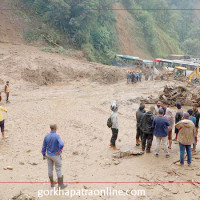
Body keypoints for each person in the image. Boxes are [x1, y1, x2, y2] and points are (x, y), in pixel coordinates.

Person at [42, 124, 67, 189]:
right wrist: (59, 151)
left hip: (49, 155)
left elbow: (44, 146)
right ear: (55, 128)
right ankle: (60, 185)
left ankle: (52, 183)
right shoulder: (57, 136)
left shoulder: (46, 136)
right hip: (56, 155)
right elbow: (61, 144)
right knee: (58, 169)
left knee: (50, 169)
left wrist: (44, 154)